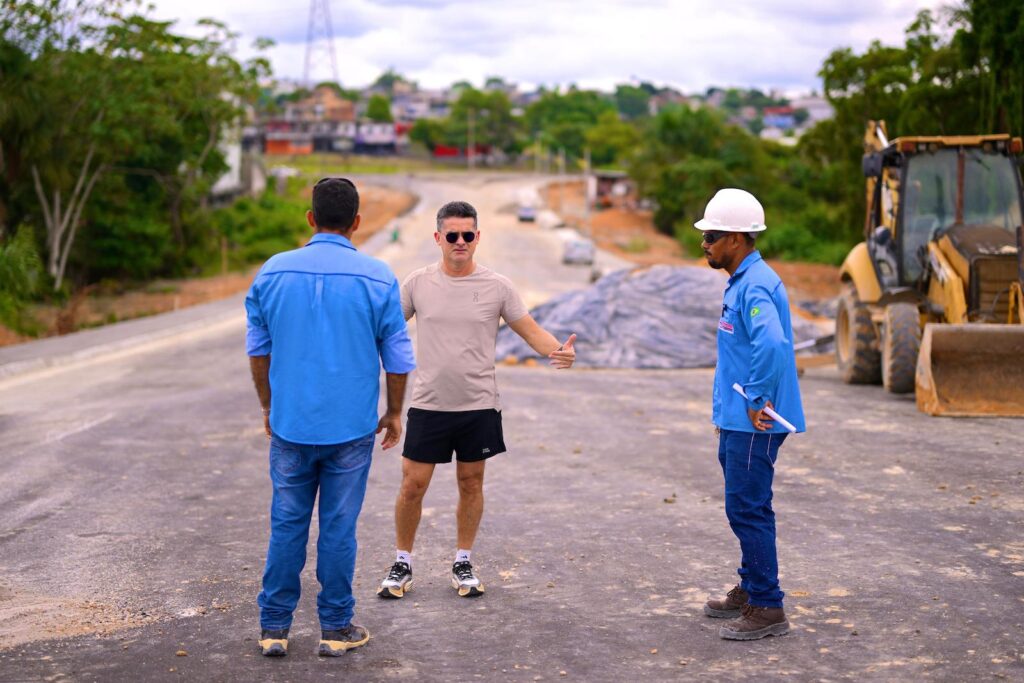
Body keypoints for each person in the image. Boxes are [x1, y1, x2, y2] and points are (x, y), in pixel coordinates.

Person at [245, 177, 415, 657]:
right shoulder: (378, 277)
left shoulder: (273, 272)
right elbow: (398, 358)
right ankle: (336, 629)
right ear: (357, 222)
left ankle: (274, 628)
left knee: (287, 524)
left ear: (310, 218)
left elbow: (258, 349)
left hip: (291, 426)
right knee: (339, 529)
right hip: (351, 429)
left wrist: (268, 406)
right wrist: (394, 412)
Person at [377, 200, 576, 600]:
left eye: (468, 235)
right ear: (438, 238)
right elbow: (387, 330)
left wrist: (559, 350)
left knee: (471, 483)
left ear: (478, 237)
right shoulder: (417, 284)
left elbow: (530, 331)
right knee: (412, 485)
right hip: (429, 405)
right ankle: (402, 563)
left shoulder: (497, 286)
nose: (460, 242)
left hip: (479, 405)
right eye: (452, 235)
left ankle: (463, 561)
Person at [695, 188, 805, 641]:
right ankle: (751, 588)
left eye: (712, 236)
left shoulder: (755, 284)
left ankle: (767, 606)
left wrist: (757, 397)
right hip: (739, 419)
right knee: (748, 505)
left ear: (737, 239)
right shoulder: (745, 280)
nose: (704, 243)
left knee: (747, 508)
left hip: (755, 421)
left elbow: (772, 343)